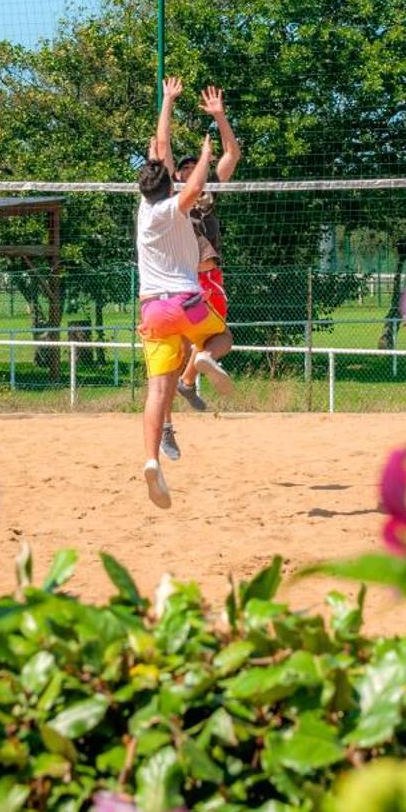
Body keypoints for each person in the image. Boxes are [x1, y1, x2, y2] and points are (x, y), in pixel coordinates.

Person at [134, 77, 233, 509]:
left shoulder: (145, 211)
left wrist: (167, 102)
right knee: (221, 337)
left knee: (157, 388)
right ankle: (207, 357)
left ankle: (150, 460)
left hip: (152, 309)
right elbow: (191, 186)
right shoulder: (179, 205)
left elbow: (160, 145)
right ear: (170, 184)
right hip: (187, 301)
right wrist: (206, 152)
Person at [174, 85, 241, 412]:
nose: (190, 172)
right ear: (176, 177)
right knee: (221, 339)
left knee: (207, 340)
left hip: (203, 279)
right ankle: (191, 373)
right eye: (183, 170)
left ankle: (187, 383)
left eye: (193, 168)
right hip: (193, 279)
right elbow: (161, 154)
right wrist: (167, 104)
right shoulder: (172, 198)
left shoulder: (210, 190)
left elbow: (232, 154)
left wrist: (219, 116)